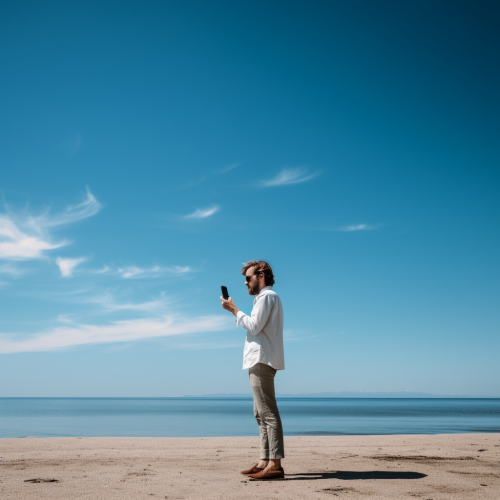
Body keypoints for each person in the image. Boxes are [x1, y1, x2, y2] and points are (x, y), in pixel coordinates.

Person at [220, 260, 285, 480]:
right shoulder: (265, 298)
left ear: (261, 275)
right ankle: (264, 460)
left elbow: (255, 326)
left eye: (248, 278)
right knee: (260, 414)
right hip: (261, 359)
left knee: (267, 413)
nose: (246, 283)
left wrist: (234, 310)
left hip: (262, 359)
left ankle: (274, 464)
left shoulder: (267, 297)